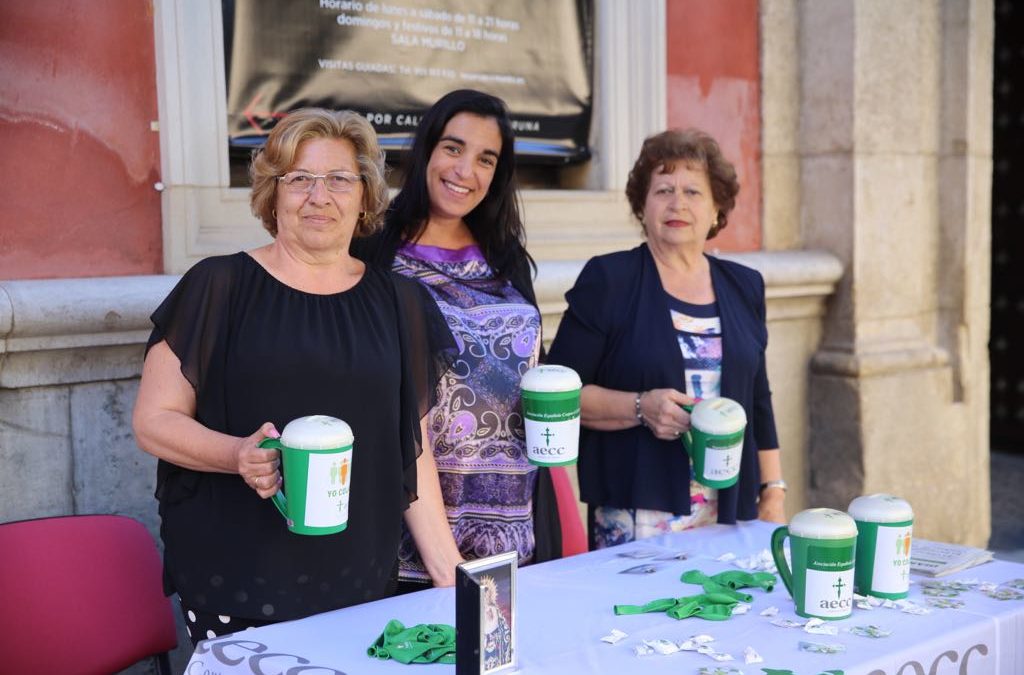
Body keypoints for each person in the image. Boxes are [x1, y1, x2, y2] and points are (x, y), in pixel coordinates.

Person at [132, 108, 461, 645]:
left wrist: (447, 568)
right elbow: (153, 422)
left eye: (338, 179)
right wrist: (236, 453)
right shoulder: (219, 286)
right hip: (240, 575)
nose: (319, 195)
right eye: (299, 179)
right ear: (273, 194)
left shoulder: (402, 302)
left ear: (363, 197)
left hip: (362, 577)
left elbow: (411, 448)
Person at [353, 89, 560, 589]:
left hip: (516, 516)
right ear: (426, 149)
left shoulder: (505, 256)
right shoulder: (372, 249)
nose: (466, 170)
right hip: (408, 516)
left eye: (485, 158)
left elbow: (539, 374)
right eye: (453, 148)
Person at [545, 128, 786, 549]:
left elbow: (758, 401)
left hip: (730, 512)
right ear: (642, 205)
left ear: (716, 209)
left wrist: (774, 491)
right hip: (638, 515)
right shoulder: (609, 281)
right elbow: (557, 396)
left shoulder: (745, 286)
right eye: (663, 190)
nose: (678, 203)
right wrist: (640, 407)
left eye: (693, 191)